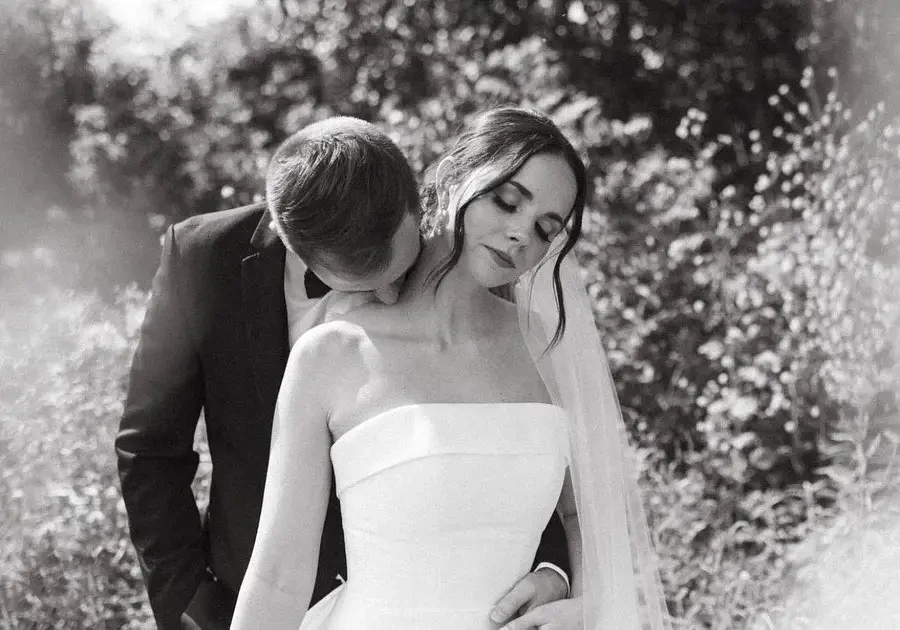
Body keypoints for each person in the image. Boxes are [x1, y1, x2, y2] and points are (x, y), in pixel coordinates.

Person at [115, 116, 572, 630]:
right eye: (370, 282)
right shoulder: (203, 260)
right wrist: (189, 610)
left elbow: (505, 456)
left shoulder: (472, 268)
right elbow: (151, 451)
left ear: (416, 207)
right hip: (249, 600)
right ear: (301, 248)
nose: (386, 298)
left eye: (400, 272)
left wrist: (556, 569)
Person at [232, 108, 671, 629]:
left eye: (545, 229)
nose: (519, 236)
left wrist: (585, 602)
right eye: (507, 202)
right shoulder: (331, 355)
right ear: (452, 178)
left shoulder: (545, 346)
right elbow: (278, 575)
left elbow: (583, 516)